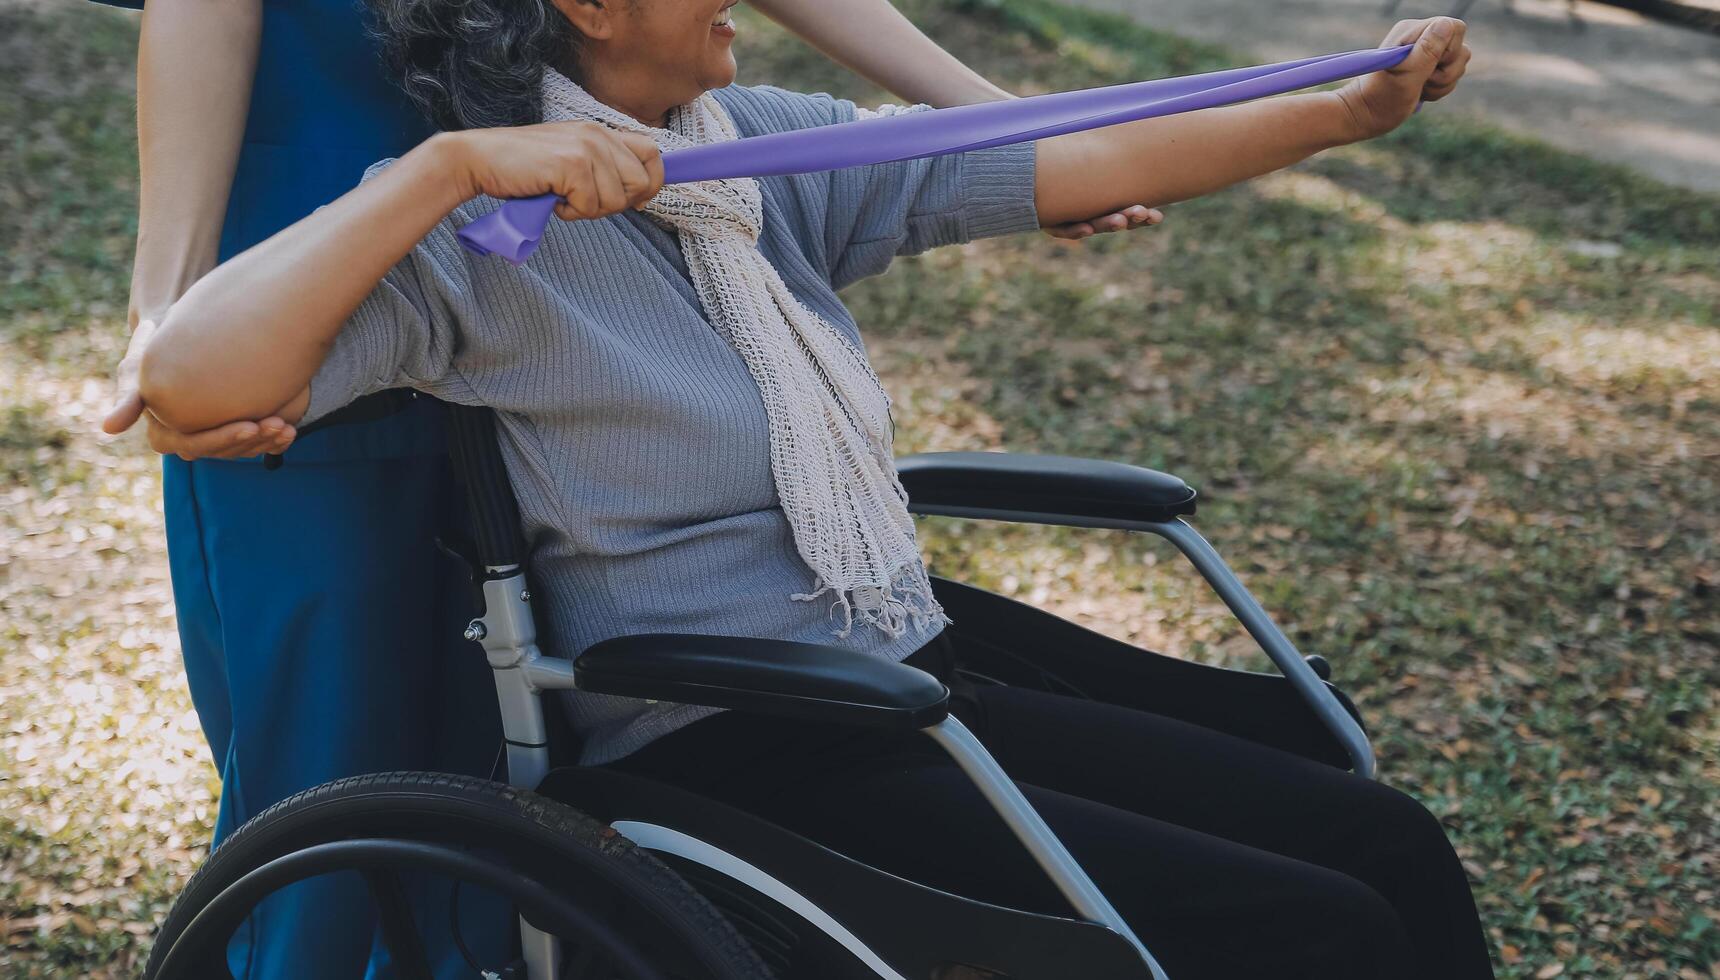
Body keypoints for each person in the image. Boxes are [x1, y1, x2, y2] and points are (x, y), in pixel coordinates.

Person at [131, 0, 1483, 976]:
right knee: (1327, 930)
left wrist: (1344, 114)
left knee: (1388, 840)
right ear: (592, 8)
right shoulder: (482, 249)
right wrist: (442, 172)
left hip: (894, 664)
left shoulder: (751, 156)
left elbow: (1071, 159)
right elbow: (189, 376)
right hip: (747, 731)